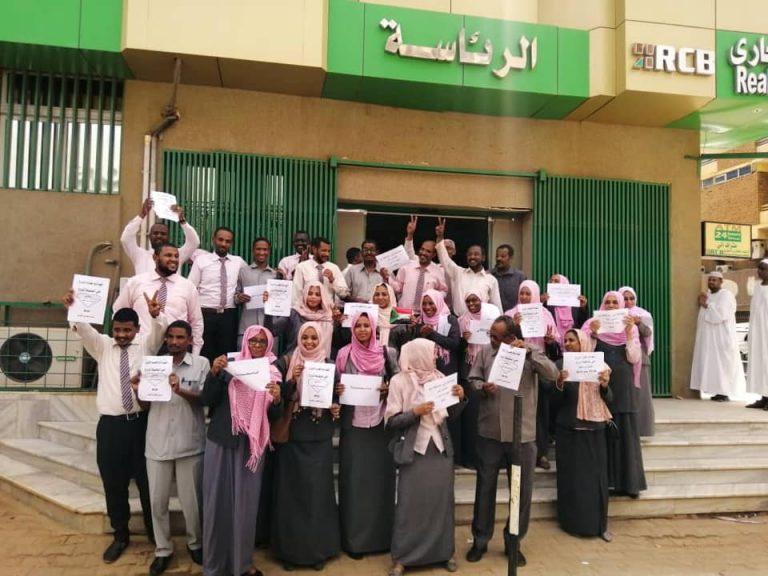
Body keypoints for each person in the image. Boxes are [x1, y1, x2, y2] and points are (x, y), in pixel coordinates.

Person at [63, 290, 165, 564]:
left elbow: (159, 331)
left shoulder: (146, 344)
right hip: (110, 427)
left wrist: (156, 314)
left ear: (136, 329)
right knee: (114, 483)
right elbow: (84, 329)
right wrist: (75, 306)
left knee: (147, 482)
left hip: (141, 425)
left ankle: (157, 536)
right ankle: (120, 535)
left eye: (127, 330)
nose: (121, 335)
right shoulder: (102, 345)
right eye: (117, 330)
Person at [466, 316, 559, 567]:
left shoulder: (530, 353)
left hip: (523, 435)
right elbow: (472, 380)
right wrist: (482, 387)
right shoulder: (485, 353)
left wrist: (529, 352)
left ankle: (513, 542)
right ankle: (480, 540)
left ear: (510, 337)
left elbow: (553, 373)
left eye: (496, 336)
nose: (491, 340)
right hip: (490, 433)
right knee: (484, 488)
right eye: (491, 336)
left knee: (521, 493)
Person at [200, 325, 283, 576]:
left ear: (268, 345)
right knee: (216, 503)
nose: (257, 345)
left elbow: (275, 416)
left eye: (262, 341)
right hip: (222, 440)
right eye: (253, 340)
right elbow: (208, 400)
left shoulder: (273, 373)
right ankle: (214, 565)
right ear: (246, 341)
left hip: (251, 447)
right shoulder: (230, 365)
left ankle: (241, 565)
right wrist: (214, 374)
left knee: (245, 507)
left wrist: (277, 398)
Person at [385, 339, 466, 576]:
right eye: (432, 353)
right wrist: (415, 413)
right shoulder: (399, 381)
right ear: (418, 354)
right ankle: (402, 558)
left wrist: (461, 397)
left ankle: (444, 552)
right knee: (410, 504)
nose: (435, 357)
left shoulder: (440, 378)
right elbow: (391, 421)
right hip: (414, 451)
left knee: (441, 503)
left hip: (440, 450)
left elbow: (450, 414)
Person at [136, 321, 208, 575]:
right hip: (157, 443)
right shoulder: (152, 365)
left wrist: (181, 389)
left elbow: (205, 400)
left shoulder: (201, 364)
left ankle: (195, 544)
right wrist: (138, 390)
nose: (175, 341)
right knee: (157, 502)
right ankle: (163, 549)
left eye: (180, 337)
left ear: (189, 340)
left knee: (192, 503)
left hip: (190, 442)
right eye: (171, 337)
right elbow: (145, 407)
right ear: (165, 339)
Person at [272, 322, 341, 570]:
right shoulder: (287, 361)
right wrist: (292, 381)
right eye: (306, 337)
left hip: (318, 436)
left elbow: (335, 398)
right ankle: (289, 553)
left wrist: (336, 404)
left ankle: (317, 552)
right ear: (299, 338)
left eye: (314, 338)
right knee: (291, 496)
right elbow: (274, 398)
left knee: (317, 496)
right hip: (292, 436)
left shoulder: (329, 365)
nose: (310, 342)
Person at [335, 312, 399, 559]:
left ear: (373, 328)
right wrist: (337, 390)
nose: (362, 330)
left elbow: (399, 381)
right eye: (358, 326)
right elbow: (335, 386)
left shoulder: (386, 353)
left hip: (380, 427)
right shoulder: (343, 354)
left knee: (380, 482)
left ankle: (381, 538)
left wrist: (389, 388)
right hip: (353, 426)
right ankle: (354, 541)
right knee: (354, 482)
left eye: (366, 325)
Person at [584, 291, 646, 497]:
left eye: (614, 302)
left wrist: (629, 332)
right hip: (600, 385)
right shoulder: (592, 324)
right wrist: (591, 334)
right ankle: (606, 482)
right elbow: (582, 353)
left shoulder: (631, 327)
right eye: (607, 302)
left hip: (623, 385)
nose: (610, 305)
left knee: (625, 432)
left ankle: (629, 484)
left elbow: (634, 357)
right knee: (603, 431)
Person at [553, 329, 613, 541]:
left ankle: (599, 525)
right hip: (568, 430)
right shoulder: (561, 366)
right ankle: (571, 523)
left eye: (572, 340)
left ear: (583, 342)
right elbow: (553, 401)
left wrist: (605, 385)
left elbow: (609, 399)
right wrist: (559, 383)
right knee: (571, 479)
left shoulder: (600, 366)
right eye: (566, 340)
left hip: (594, 430)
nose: (567, 343)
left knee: (595, 480)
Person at [505, 280, 560, 470]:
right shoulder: (510, 315)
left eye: (528, 294)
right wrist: (515, 326)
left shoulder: (545, 315)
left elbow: (555, 347)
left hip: (539, 368)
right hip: (515, 369)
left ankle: (541, 453)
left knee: (540, 412)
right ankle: (513, 454)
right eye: (522, 293)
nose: (525, 297)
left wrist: (550, 340)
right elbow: (502, 340)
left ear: (535, 295)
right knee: (515, 410)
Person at [113, 243, 203, 354]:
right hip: (142, 347)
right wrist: (128, 339)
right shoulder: (136, 283)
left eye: (176, 256)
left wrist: (195, 353)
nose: (173, 259)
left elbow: (196, 322)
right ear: (155, 257)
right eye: (168, 255)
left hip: (176, 349)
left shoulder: (188, 286)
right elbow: (119, 311)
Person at [188, 227, 247, 363]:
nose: (223, 244)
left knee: (226, 356)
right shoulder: (202, 260)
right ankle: (205, 383)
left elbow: (251, 275)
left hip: (229, 316)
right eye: (220, 240)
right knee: (204, 353)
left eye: (227, 241)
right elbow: (190, 288)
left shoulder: (238, 262)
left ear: (231, 243)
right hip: (205, 315)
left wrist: (276, 275)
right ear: (214, 240)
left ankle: (223, 384)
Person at [690, 271, 746, 401]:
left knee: (723, 365)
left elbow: (721, 315)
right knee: (712, 364)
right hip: (710, 340)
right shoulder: (708, 295)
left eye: (714, 280)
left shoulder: (726, 295)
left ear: (721, 282)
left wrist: (706, 305)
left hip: (722, 339)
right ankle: (717, 392)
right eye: (710, 280)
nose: (711, 282)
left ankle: (724, 393)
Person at [435, 218, 502, 315]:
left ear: (483, 257)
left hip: (481, 323)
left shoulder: (491, 280)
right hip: (459, 321)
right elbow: (444, 258)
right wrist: (440, 237)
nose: (472, 257)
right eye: (469, 254)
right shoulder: (458, 273)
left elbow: (496, 306)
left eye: (476, 254)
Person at [121, 197, 200, 276]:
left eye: (163, 234)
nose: (159, 236)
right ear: (149, 236)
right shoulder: (139, 255)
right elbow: (126, 238)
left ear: (168, 237)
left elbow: (194, 242)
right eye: (155, 233)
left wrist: (182, 221)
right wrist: (141, 215)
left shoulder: (177, 255)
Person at [619, 286, 656, 436]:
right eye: (625, 298)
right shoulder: (613, 313)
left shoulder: (643, 314)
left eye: (631, 298)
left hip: (639, 358)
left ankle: (642, 429)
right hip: (620, 358)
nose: (628, 302)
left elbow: (648, 333)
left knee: (641, 395)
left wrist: (639, 323)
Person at [266, 280, 334, 356]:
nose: (313, 297)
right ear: (304, 294)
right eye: (310, 293)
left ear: (322, 297)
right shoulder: (293, 313)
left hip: (318, 364)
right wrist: (269, 307)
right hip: (294, 360)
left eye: (317, 294)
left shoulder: (328, 316)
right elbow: (271, 331)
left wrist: (340, 321)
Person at [384, 237, 447, 311]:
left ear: (434, 255)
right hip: (404, 312)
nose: (423, 253)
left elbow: (444, 291)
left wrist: (434, 297)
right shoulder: (406, 266)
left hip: (426, 314)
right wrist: (388, 277)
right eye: (422, 249)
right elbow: (398, 288)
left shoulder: (438, 271)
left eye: (428, 251)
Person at [235, 237, 277, 346]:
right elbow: (234, 296)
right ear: (253, 251)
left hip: (269, 329)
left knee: (269, 362)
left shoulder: (276, 275)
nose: (262, 252)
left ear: (269, 251)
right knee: (245, 361)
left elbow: (282, 300)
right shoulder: (243, 272)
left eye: (265, 249)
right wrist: (239, 298)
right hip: (247, 327)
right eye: (258, 249)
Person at [292, 236, 349, 305]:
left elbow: (344, 294)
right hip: (307, 313)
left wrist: (332, 280)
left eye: (328, 251)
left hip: (329, 312)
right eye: (324, 250)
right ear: (314, 249)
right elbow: (296, 293)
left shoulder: (334, 268)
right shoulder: (302, 267)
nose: (327, 254)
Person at [747, 259, 768, 408]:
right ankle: (764, 397)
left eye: (763, 269)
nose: (759, 271)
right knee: (760, 364)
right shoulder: (757, 287)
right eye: (759, 269)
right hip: (758, 333)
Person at [492, 244, 527, 312]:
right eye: (497, 256)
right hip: (493, 317)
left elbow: (526, 297)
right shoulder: (489, 275)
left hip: (513, 317)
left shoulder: (520, 276)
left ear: (510, 258)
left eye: (502, 256)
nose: (498, 259)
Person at [371, 282, 399, 346]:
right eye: (377, 294)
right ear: (373, 297)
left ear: (390, 296)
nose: (380, 297)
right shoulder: (367, 315)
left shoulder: (400, 316)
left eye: (384, 294)